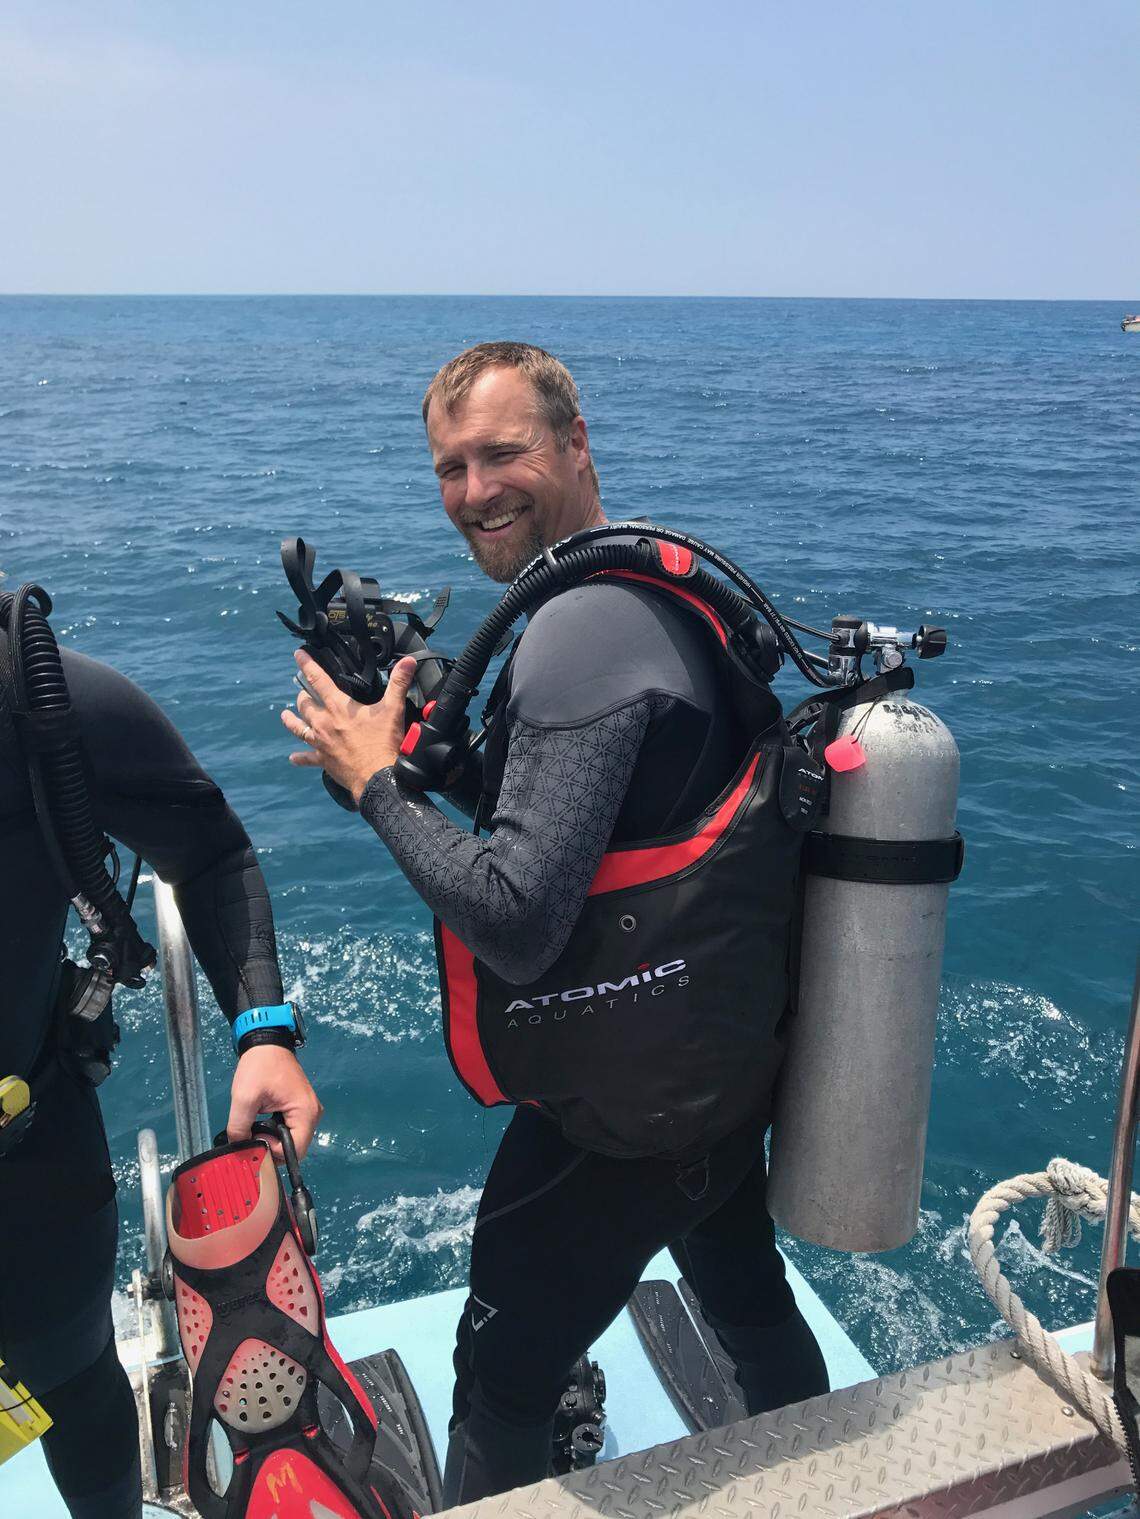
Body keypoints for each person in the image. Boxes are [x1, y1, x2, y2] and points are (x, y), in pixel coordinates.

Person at [282, 341, 828, 1504]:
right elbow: (617, 835)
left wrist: (378, 782)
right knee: (745, 1300)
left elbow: (520, 919)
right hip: (716, 1067)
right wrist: (454, 759)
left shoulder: (577, 634)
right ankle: (850, 1482)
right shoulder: (647, 598)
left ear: (577, 445)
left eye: (503, 452)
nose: (473, 491)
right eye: (449, 467)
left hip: (620, 1117)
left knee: (500, 1376)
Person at [0, 602, 321, 1519]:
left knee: (78, 1387)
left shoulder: (38, 702)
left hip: (28, 1166)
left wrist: (262, 1030)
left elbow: (210, 850)